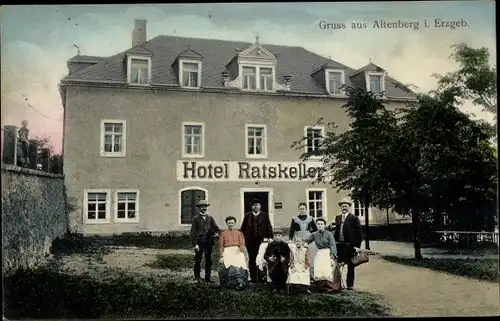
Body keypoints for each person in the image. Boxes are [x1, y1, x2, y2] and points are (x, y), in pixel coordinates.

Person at [329, 198, 362, 290]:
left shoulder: (354, 218)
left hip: (350, 245)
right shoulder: (337, 218)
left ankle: (350, 285)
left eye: (346, 206)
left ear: (349, 207)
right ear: (340, 208)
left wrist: (357, 246)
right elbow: (334, 229)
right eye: (342, 206)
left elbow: (359, 234)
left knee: (350, 265)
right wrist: (331, 227)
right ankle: (338, 284)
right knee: (337, 264)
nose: (344, 208)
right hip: (339, 245)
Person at [240, 198, 273, 283]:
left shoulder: (265, 215)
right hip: (250, 241)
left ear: (260, 206)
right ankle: (253, 277)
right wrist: (242, 239)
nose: (255, 207)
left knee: (261, 258)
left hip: (261, 241)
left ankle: (261, 277)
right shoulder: (247, 215)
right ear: (251, 207)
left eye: (257, 205)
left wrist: (270, 237)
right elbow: (243, 228)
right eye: (254, 205)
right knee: (252, 258)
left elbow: (269, 227)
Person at [189, 199, 221, 283]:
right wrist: (195, 244)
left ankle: (208, 278)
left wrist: (217, 233)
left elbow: (216, 228)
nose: (204, 208)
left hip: (208, 243)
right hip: (199, 243)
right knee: (197, 260)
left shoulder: (210, 218)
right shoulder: (195, 219)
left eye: (205, 207)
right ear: (199, 208)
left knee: (208, 260)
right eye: (202, 207)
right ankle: (197, 277)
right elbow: (192, 233)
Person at [304, 218, 339, 293]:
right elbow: (307, 240)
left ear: (324, 225)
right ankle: (320, 287)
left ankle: (329, 287)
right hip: (319, 253)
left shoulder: (329, 234)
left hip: (327, 252)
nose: (320, 226)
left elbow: (333, 245)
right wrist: (306, 243)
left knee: (327, 270)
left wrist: (332, 256)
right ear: (316, 225)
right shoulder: (314, 234)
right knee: (318, 269)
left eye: (321, 224)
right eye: (318, 224)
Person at [218, 216, 249, 290]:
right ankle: (234, 281)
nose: (231, 224)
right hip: (227, 250)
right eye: (229, 223)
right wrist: (221, 256)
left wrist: (242, 251)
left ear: (234, 223)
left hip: (237, 250)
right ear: (227, 224)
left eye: (232, 223)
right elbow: (221, 246)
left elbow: (242, 244)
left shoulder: (239, 233)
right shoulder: (223, 234)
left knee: (240, 261)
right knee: (230, 263)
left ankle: (240, 281)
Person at [288, 202, 318, 280]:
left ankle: (310, 274)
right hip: (298, 238)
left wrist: (313, 236)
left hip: (308, 238)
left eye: (303, 209)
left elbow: (315, 230)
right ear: (298, 209)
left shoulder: (310, 218)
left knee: (309, 255)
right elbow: (292, 230)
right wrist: (290, 239)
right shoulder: (294, 218)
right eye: (300, 209)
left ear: (306, 209)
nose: (302, 210)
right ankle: (298, 274)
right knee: (298, 256)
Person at [264, 228, 291, 293]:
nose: (277, 237)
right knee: (273, 273)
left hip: (282, 263)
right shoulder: (271, 245)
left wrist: (284, 259)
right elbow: (265, 255)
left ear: (281, 236)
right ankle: (275, 287)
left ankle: (282, 287)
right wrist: (269, 258)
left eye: (279, 236)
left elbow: (289, 256)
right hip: (273, 263)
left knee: (283, 273)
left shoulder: (285, 245)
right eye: (276, 235)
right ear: (274, 236)